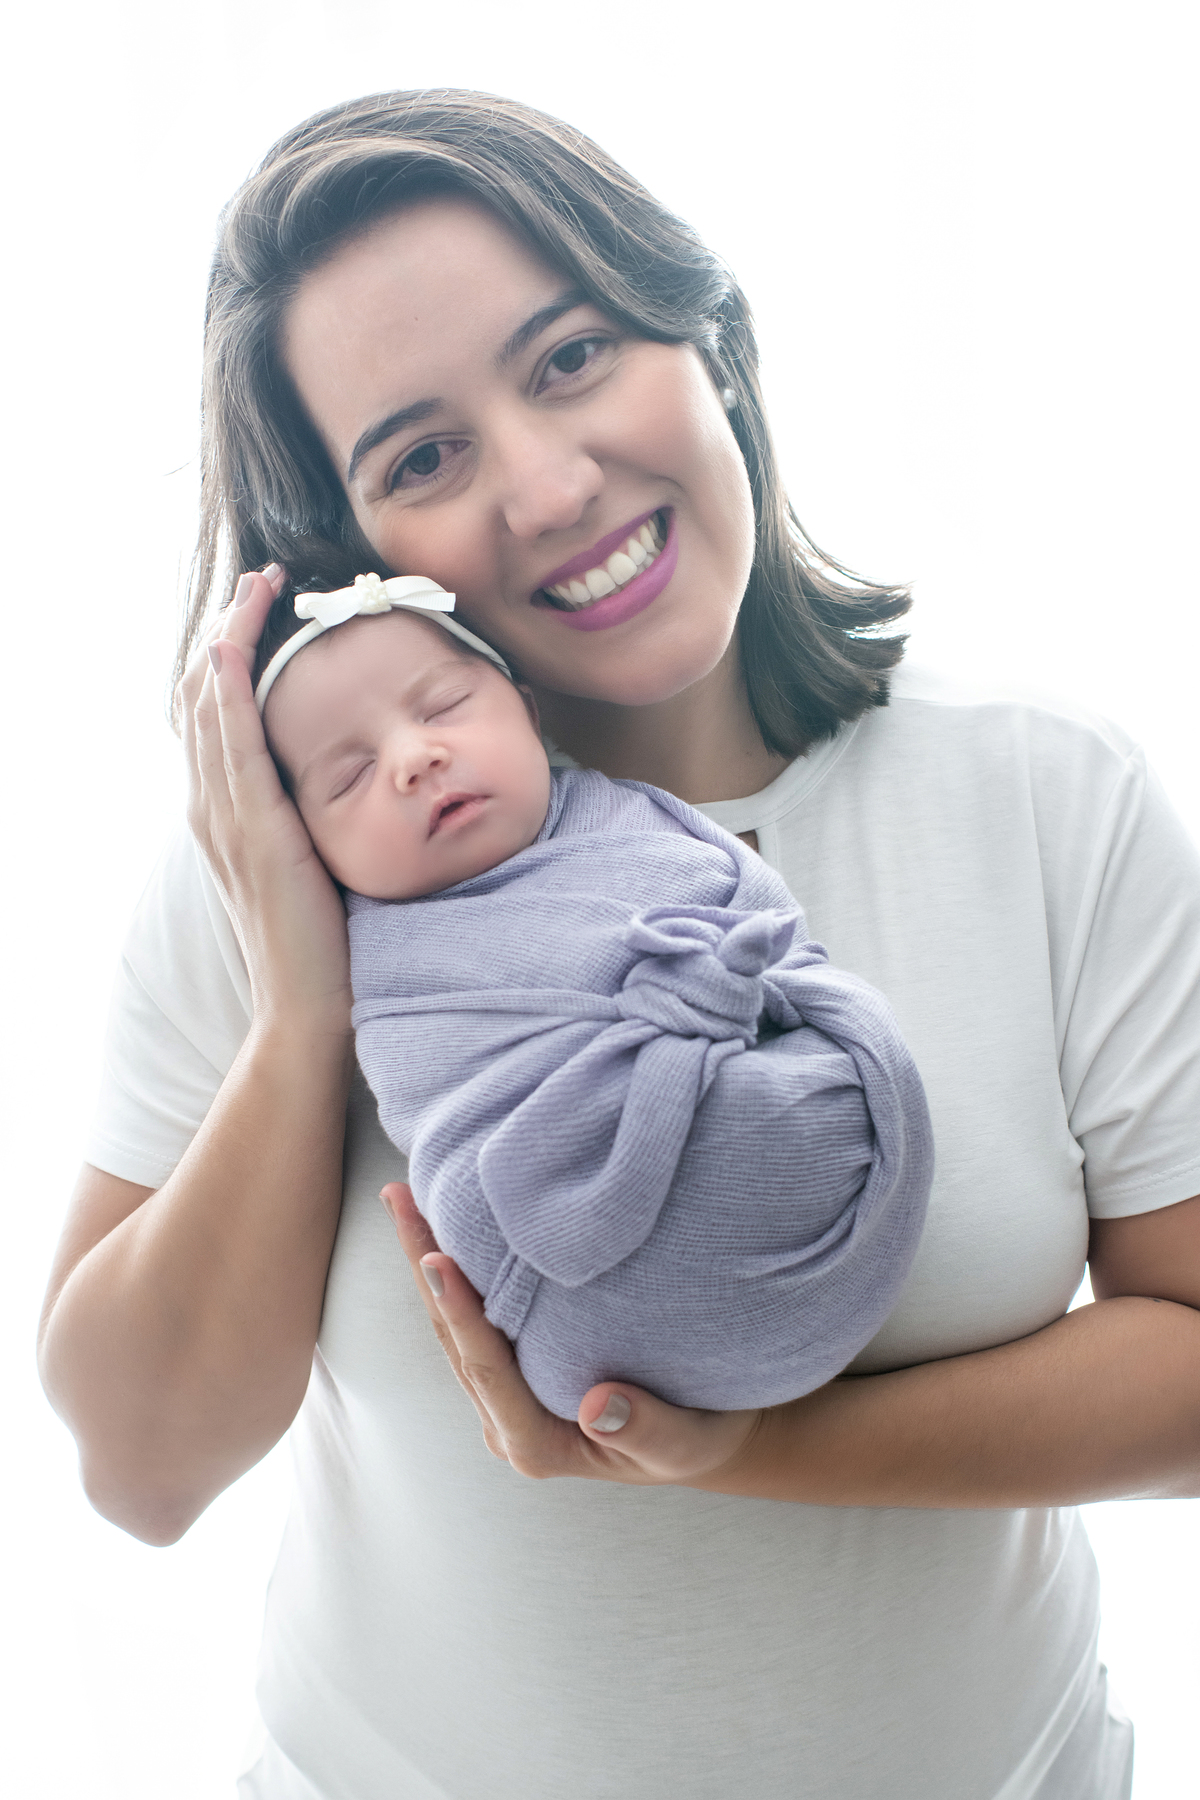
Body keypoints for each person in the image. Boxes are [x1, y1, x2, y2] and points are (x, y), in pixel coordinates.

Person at [36, 89, 1200, 1800]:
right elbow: (141, 1474)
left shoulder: (1042, 793)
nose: (551, 483)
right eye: (421, 457)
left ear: (707, 336)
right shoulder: (280, 878)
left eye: (573, 356)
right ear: (357, 564)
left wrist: (727, 1451)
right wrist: (303, 1012)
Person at [253, 576, 933, 1419]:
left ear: (529, 712)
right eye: (350, 777)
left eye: (445, 706)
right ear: (308, 844)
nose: (412, 759)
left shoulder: (635, 821)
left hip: (804, 1165)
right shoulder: (376, 964)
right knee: (481, 1196)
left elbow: (771, 935)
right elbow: (450, 1105)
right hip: (573, 1283)